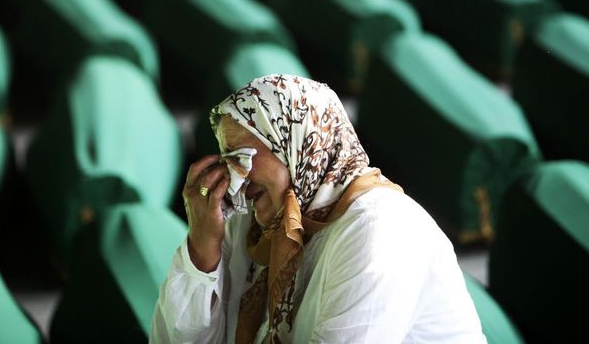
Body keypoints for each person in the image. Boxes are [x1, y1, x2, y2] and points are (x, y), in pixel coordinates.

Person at [150, 74, 486, 344]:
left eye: (243, 157)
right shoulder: (248, 220)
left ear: (297, 147)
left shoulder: (379, 228)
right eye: (225, 160)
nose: (234, 179)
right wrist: (202, 248)